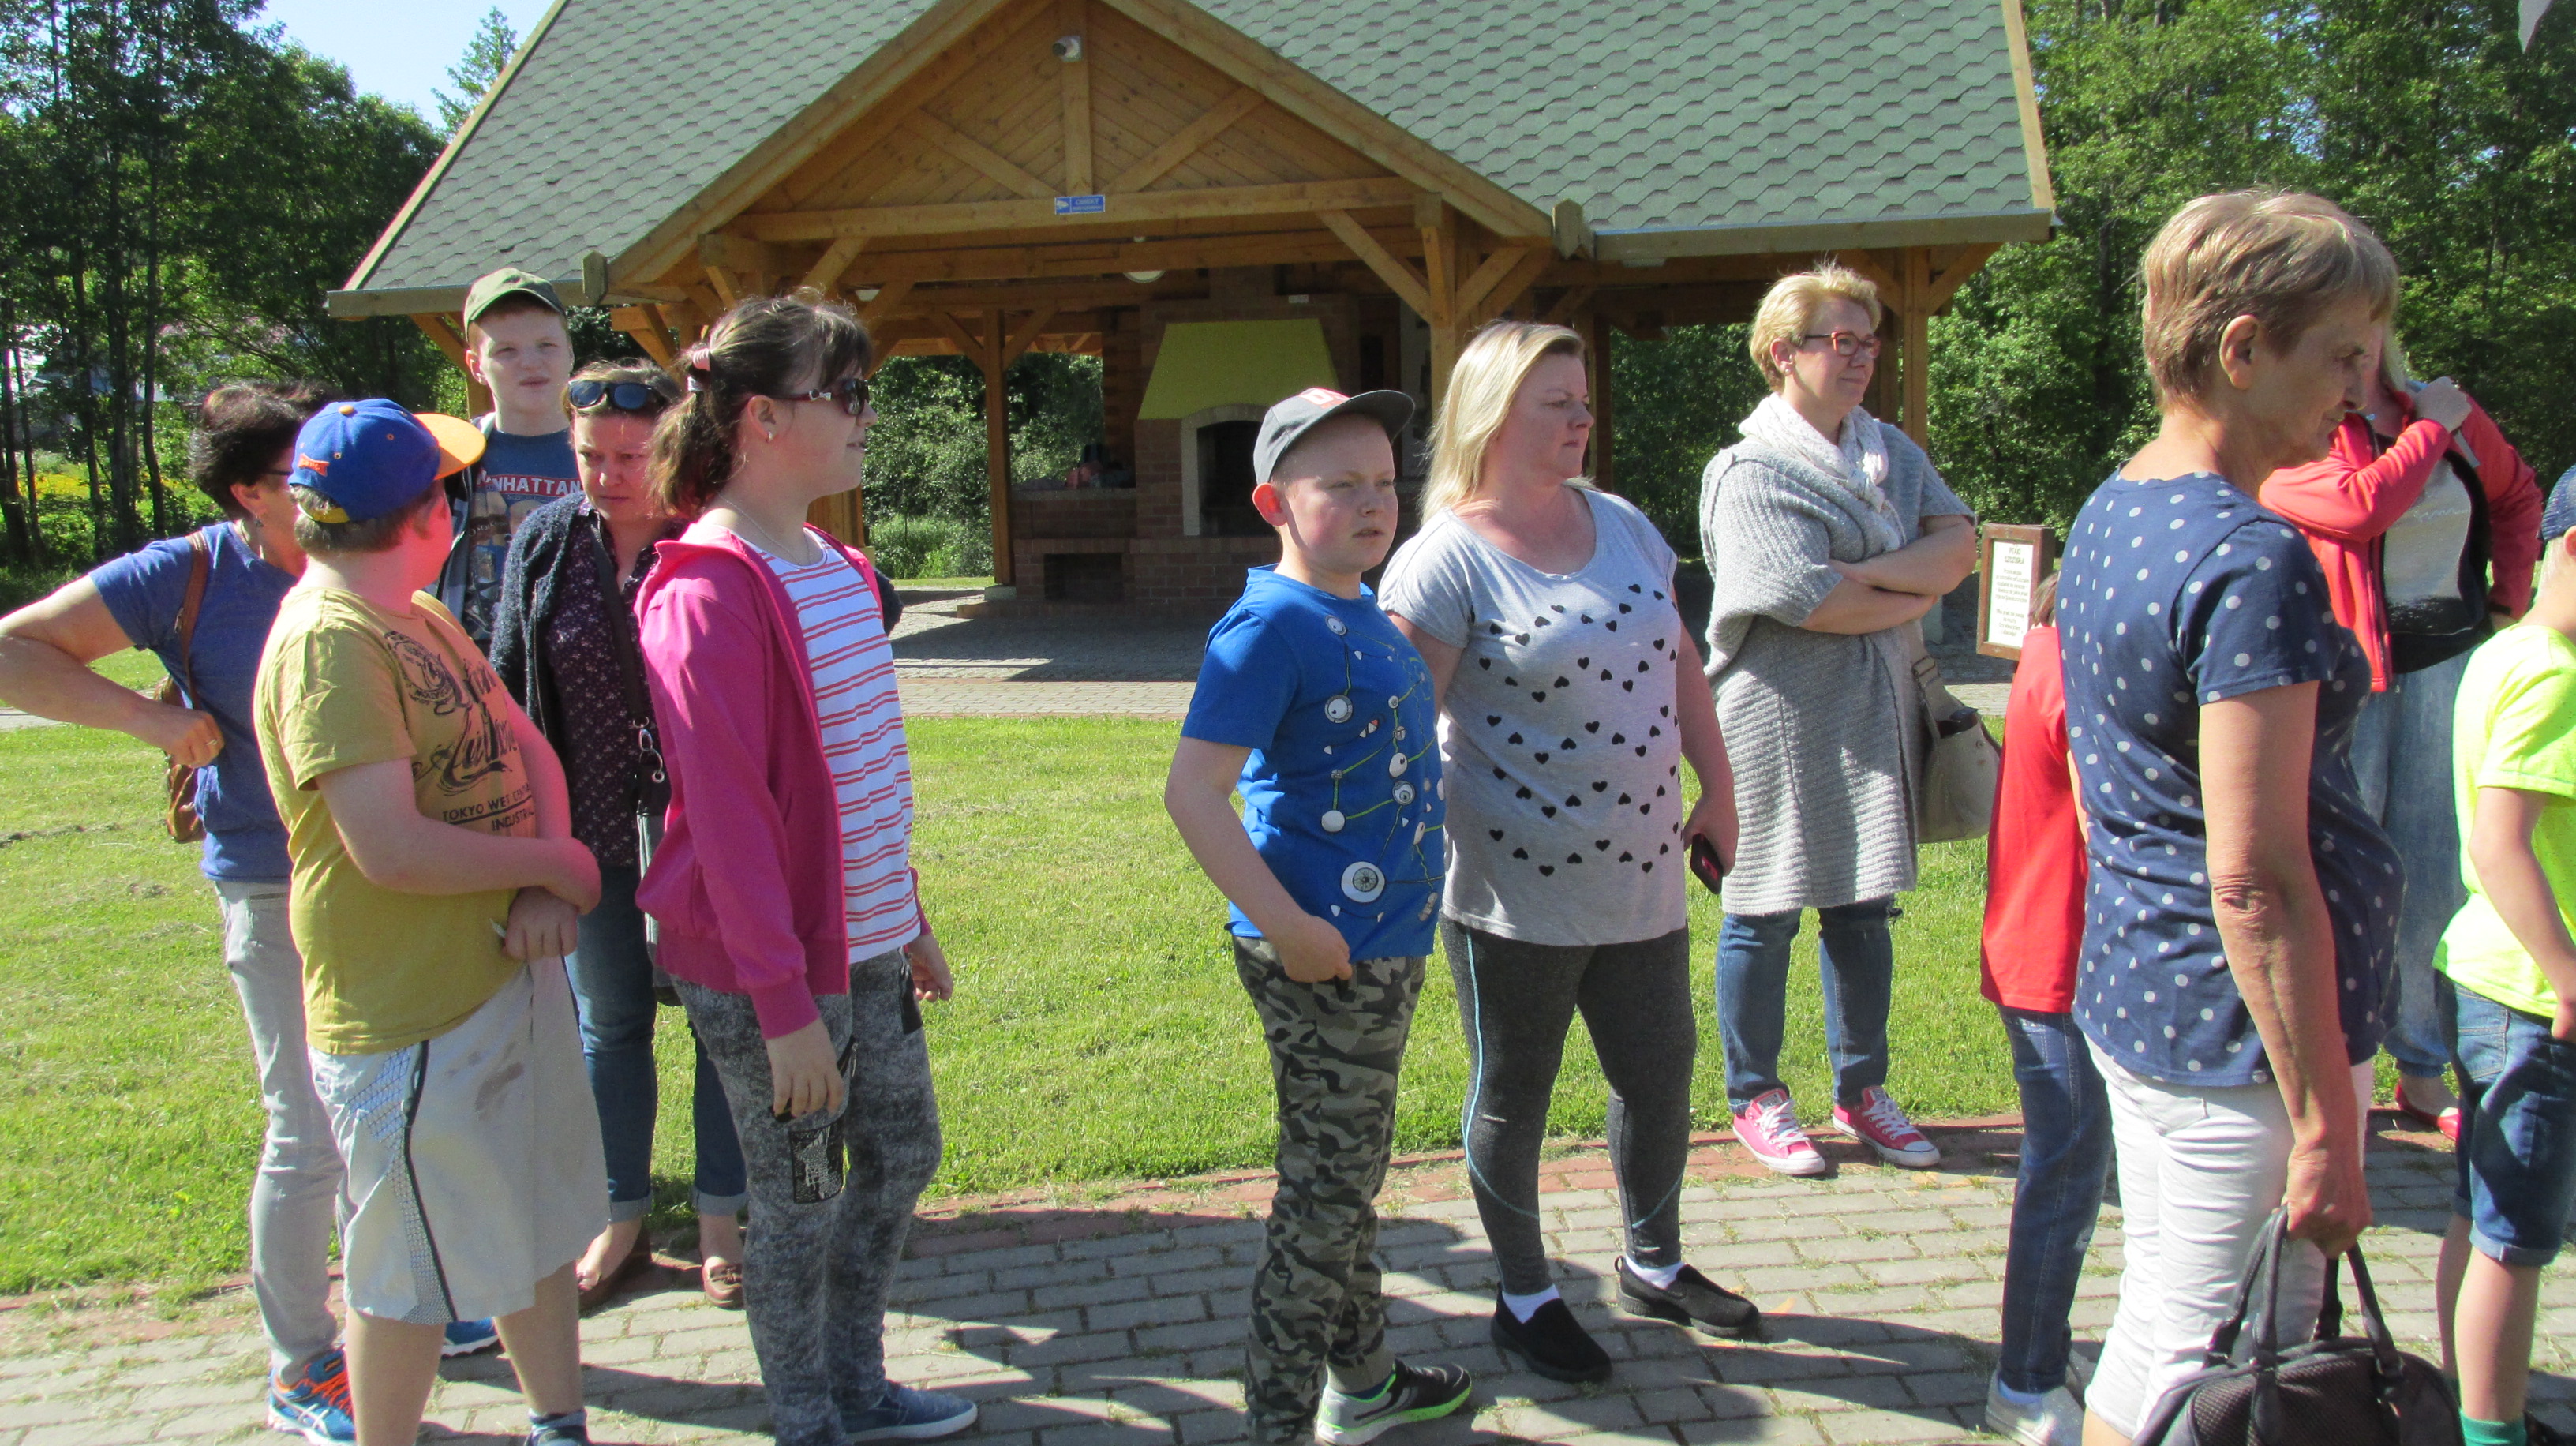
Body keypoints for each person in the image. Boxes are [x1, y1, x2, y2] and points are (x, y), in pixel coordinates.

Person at [0, 384, 500, 1446]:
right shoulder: (183, 574)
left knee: (404, 1107)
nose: (324, 486)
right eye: (296, 474)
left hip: (405, 877)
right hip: (276, 887)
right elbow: (14, 650)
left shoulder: (379, 549)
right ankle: (305, 1362)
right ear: (247, 493)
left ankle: (405, 1303)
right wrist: (151, 723)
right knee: (308, 1130)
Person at [2054, 190, 2396, 1446]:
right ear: (2242, 349)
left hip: (2153, 993)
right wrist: (2325, 1126)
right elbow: (2256, 878)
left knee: (2165, 1328)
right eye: (2342, 357)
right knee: (2222, 1362)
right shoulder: (2252, 557)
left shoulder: (2116, 506)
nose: (2359, 392)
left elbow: (2103, 771)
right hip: (2239, 1035)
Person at [1380, 321, 1758, 1385]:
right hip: (1512, 893)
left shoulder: (1625, 525)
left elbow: (1679, 663)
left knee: (1660, 1074)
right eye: (1557, 402)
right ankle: (1525, 1296)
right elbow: (1404, 735)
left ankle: (1654, 1261)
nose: (1582, 418)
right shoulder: (1445, 560)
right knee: (1515, 1093)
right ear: (1494, 415)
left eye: (1583, 399)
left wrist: (1721, 787)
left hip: (1641, 874)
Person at [632, 294, 972, 1446]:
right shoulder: (706, 590)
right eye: (850, 392)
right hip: (764, 972)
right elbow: (729, 824)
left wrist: (906, 917)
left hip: (865, 945)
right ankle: (809, 1418)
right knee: (799, 1199)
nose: (869, 414)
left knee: (903, 1153)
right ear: (766, 417)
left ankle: (858, 1387)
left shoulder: (841, 566)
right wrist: (783, 1011)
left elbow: (864, 771)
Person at [252, 399, 606, 1446]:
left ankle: (559, 1425)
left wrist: (545, 882)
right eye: (449, 489)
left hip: (503, 978)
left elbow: (522, 743)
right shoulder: (328, 642)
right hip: (410, 1015)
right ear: (424, 515)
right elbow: (390, 847)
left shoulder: (414, 611)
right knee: (408, 1276)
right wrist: (555, 863)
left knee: (533, 1225)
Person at [1165, 387, 1475, 1446]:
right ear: (1274, 503)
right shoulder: (1270, 627)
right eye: (1340, 484)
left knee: (1343, 1182)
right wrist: (1292, 927)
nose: (1374, 501)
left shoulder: (1360, 609)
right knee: (1324, 1204)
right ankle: (1277, 1423)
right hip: (1327, 955)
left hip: (1377, 949)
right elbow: (1194, 793)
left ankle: (1370, 1382)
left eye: (1384, 481)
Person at [1695, 263, 1975, 1175]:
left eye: (1870, 340)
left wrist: (1872, 577)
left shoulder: (1889, 451)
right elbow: (1805, 599)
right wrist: (1906, 586)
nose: (1861, 357)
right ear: (1784, 353)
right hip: (1775, 720)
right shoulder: (1748, 471)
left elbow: (1959, 542)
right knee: (1764, 907)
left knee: (1865, 907)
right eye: (1840, 340)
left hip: (1873, 708)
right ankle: (1755, 1094)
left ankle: (1863, 1090)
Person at [489, 362, 748, 1311]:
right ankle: (621, 1217)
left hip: (701, 834)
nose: (608, 475)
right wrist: (528, 851)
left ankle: (722, 1220)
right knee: (611, 1026)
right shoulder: (547, 540)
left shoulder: (715, 532)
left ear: (671, 444)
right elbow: (511, 686)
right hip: (589, 833)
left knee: (723, 1025)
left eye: (630, 456)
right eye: (589, 456)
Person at [2265, 337, 2541, 1138]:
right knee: (2347, 868)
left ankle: (2421, 1066)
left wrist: (2507, 602)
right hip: (2343, 672)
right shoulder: (2301, 422)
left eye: (2366, 330)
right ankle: (2326, 1068)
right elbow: (2360, 507)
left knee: (2434, 866)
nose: (2355, 350)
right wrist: (2430, 429)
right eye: (2337, 335)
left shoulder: (2447, 409)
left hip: (2447, 666)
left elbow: (2519, 494)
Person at [2428, 479, 2576, 1446]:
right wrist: (2569, 972)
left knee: (2477, 1213)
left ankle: (2464, 1404)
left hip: (2482, 970)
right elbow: (2501, 841)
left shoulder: (2506, 649)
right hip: (2529, 991)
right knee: (2516, 1238)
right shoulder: (2557, 672)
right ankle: (2491, 1430)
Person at [1977, 573, 2109, 1446]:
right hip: (2058, 955)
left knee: (2073, 1167)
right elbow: (2113, 819)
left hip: (2050, 948)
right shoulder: (2076, 671)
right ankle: (2021, 1381)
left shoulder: (2048, 652)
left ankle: (2042, 1358)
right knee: (2065, 1170)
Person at [440, 266, 582, 649]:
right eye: (506, 351)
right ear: (476, 366)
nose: (531, 363)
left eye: (546, 345)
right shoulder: (450, 462)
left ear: (570, 351)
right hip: (475, 667)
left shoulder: (613, 455)